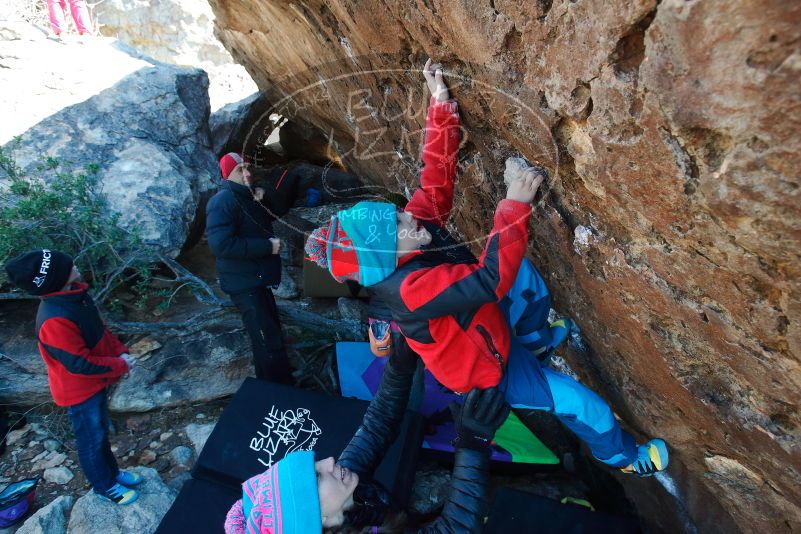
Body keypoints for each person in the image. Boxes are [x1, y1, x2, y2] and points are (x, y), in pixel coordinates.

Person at [305, 59, 668, 476]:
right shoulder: (409, 290)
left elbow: (433, 185)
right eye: (398, 225)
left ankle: (535, 346)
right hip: (491, 372)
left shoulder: (406, 240)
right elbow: (490, 279)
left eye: (397, 215)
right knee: (584, 405)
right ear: (386, 258)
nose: (408, 217)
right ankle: (625, 458)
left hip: (486, 331)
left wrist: (440, 108)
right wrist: (514, 203)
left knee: (527, 280)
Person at [223, 387, 509, 532]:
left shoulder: (343, 492)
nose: (329, 461)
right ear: (319, 519)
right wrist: (473, 444)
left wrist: (398, 361)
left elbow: (375, 429)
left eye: (315, 464)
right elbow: (457, 529)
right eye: (317, 475)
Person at [4, 250, 141, 504]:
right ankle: (105, 485)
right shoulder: (53, 320)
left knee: (100, 434)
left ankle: (111, 473)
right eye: (67, 266)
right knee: (91, 440)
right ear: (55, 279)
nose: (74, 265)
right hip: (79, 392)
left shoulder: (76, 295)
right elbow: (79, 364)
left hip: (94, 384)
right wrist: (119, 365)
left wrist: (120, 351)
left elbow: (100, 331)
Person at [206, 153, 292, 384]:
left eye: (247, 168)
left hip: (256, 280)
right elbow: (221, 244)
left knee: (270, 340)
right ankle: (278, 398)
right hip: (244, 284)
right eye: (240, 170)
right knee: (267, 343)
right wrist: (267, 247)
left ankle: (280, 394)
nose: (247, 173)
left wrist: (264, 195)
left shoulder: (247, 196)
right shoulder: (222, 201)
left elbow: (277, 211)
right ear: (227, 175)